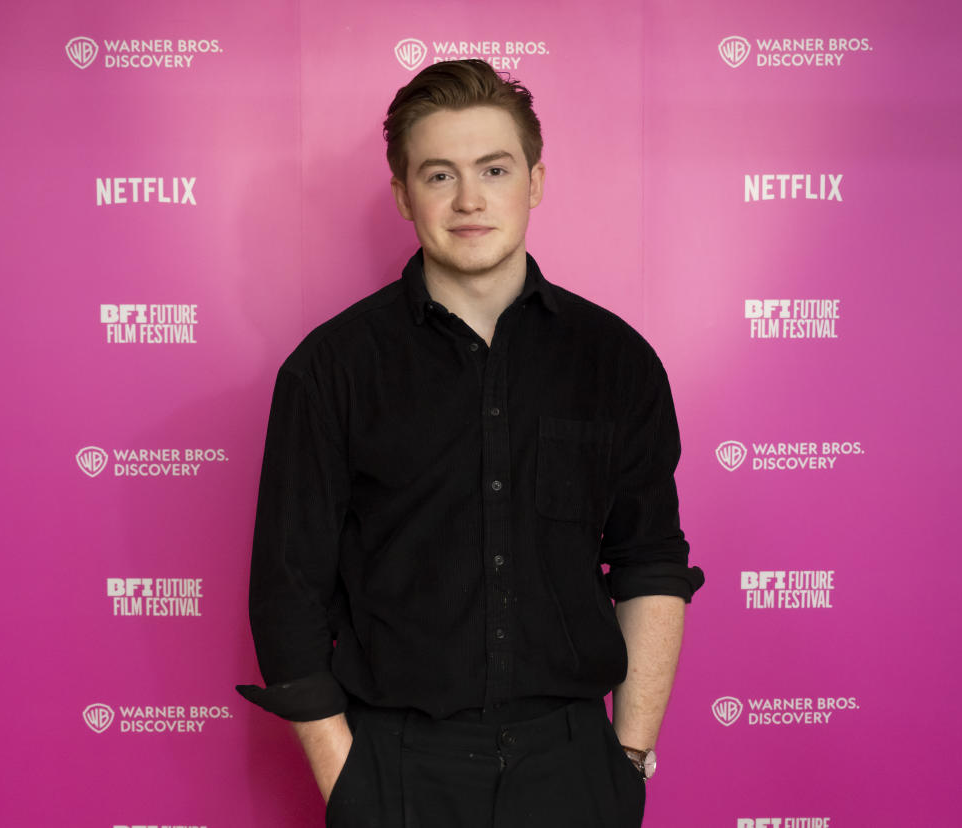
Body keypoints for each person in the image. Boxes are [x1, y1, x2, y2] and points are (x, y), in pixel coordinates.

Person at [238, 58, 704, 827]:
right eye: (438, 175)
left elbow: (650, 562)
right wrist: (347, 780)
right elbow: (287, 594)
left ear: (536, 180)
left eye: (494, 168)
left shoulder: (615, 359)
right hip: (395, 767)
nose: (470, 200)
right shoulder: (331, 370)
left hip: (576, 765)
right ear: (401, 194)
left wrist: (627, 760)